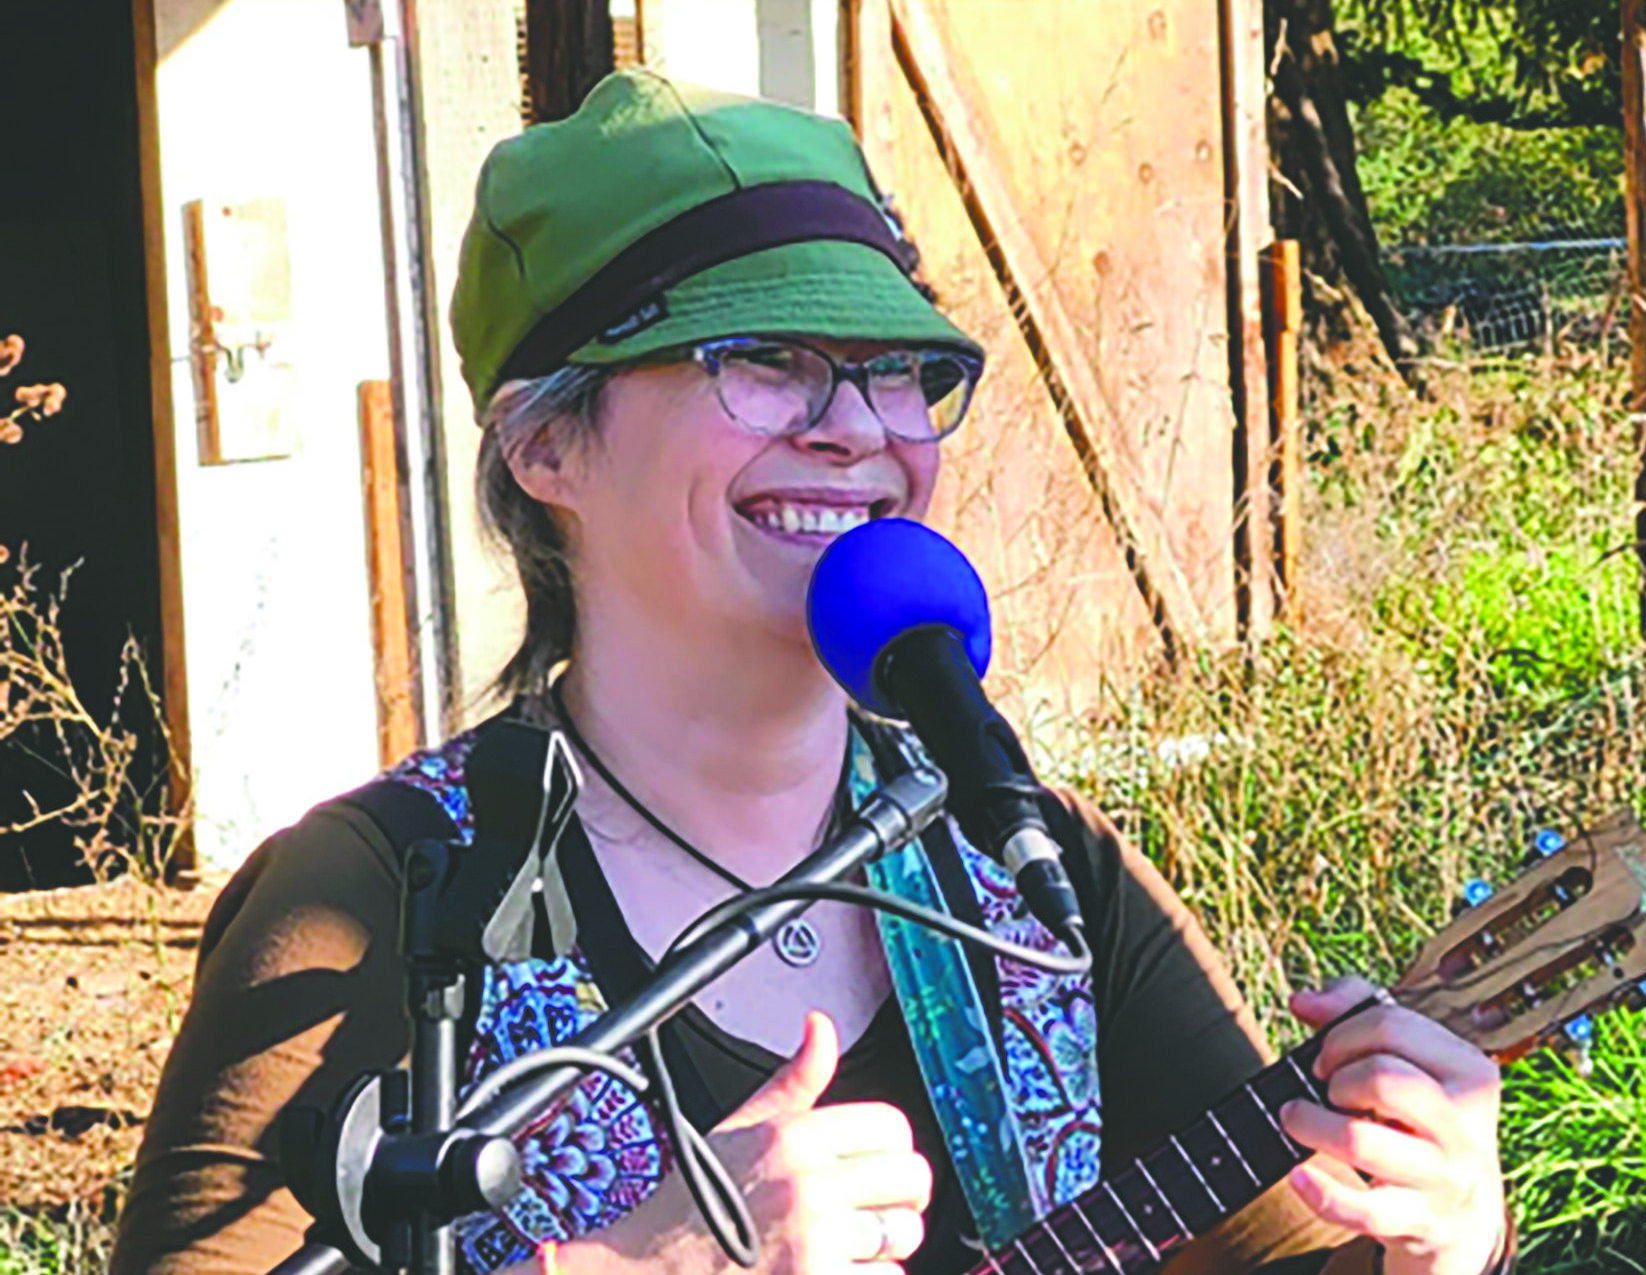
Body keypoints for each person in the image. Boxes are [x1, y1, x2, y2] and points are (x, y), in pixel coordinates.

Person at [111, 70, 1514, 1275]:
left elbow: (1281, 1247)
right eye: (765, 359)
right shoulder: (386, 895)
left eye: (899, 369)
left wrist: (1431, 1227)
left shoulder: (1024, 866)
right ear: (547, 449)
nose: (859, 430)